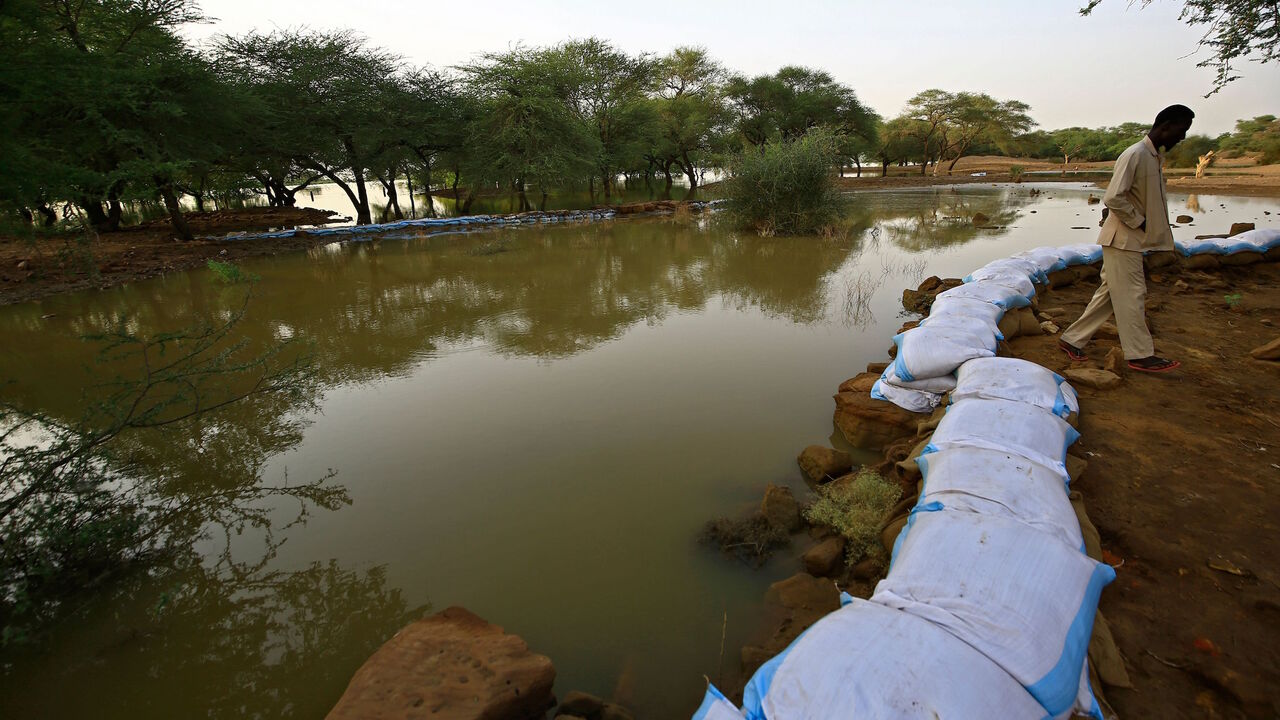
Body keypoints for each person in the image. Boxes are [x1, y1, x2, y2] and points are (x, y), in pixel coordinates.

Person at [1058, 104, 1194, 373]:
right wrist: (1140, 222)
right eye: (1181, 130)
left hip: (1129, 239)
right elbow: (1113, 197)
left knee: (1110, 294)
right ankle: (1140, 355)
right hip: (1123, 238)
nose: (1182, 137)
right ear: (1165, 126)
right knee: (1133, 294)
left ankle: (1071, 339)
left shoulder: (1152, 157)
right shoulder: (1135, 154)